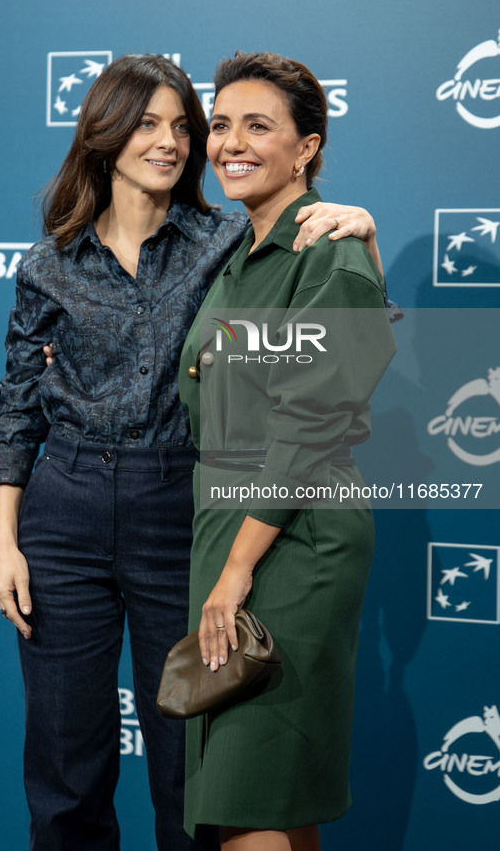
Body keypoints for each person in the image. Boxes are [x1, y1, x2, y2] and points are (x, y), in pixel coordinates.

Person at [0, 53, 384, 851]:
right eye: (145, 124)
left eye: (180, 126)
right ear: (104, 135)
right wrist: (5, 539)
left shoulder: (225, 240)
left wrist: (362, 228)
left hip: (180, 502)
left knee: (191, 763)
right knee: (65, 762)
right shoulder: (47, 264)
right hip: (62, 511)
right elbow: (18, 403)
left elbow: (319, 297)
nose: (169, 142)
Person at [179, 52, 397, 851]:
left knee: (251, 793)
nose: (230, 142)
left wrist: (237, 570)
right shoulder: (239, 255)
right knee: (267, 795)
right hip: (235, 532)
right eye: (222, 124)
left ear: (306, 148)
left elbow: (314, 422)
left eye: (258, 126)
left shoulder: (324, 248)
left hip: (290, 542)